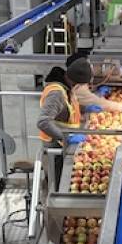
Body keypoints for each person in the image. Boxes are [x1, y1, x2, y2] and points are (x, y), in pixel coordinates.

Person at [37, 57, 92, 191]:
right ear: (75, 82)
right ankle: (48, 207)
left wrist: (86, 108)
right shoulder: (56, 93)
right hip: (54, 147)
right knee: (55, 185)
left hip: (62, 142)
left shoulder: (66, 87)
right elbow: (43, 122)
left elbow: (67, 109)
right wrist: (65, 137)